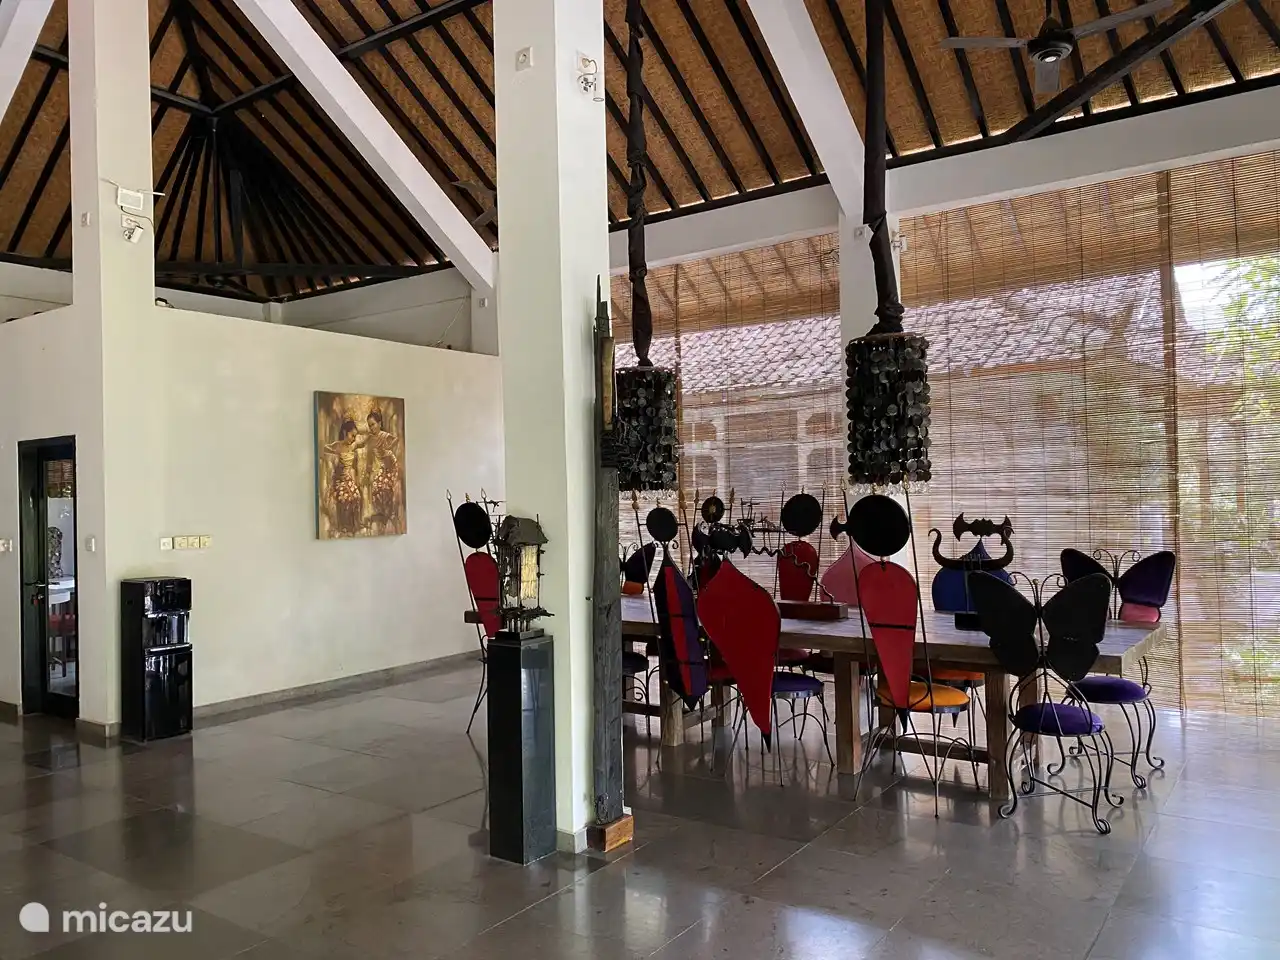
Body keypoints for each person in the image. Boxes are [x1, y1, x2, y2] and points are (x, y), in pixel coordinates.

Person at [323, 419, 364, 536]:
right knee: (345, 498)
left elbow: (363, 443)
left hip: (348, 479)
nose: (354, 439)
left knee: (356, 496)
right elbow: (325, 448)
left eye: (355, 436)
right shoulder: (337, 445)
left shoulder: (352, 447)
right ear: (345, 432)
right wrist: (334, 457)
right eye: (352, 435)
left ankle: (354, 524)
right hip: (338, 481)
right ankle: (344, 526)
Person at [365, 409, 401, 533]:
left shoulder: (384, 435)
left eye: (373, 424)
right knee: (376, 487)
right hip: (382, 467)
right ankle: (382, 512)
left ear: (379, 423)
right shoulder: (370, 439)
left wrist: (389, 447)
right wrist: (367, 470)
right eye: (369, 426)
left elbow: (395, 439)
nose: (371, 428)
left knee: (387, 487)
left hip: (390, 464)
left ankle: (389, 512)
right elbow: (369, 457)